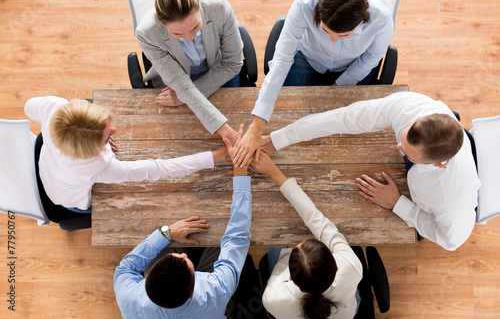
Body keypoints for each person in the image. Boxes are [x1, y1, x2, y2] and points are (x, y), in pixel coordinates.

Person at [260, 92, 480, 251]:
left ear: (437, 165)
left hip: (431, 203)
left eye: (408, 153)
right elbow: (346, 118)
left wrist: (398, 204)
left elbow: (452, 240)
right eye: (403, 139)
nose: (398, 148)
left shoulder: (449, 199)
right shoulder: (410, 107)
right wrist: (279, 138)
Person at [233, 0, 393, 167]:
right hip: (308, 58)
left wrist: (338, 87)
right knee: (287, 112)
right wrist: (256, 126)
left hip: (352, 67)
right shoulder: (303, 5)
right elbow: (281, 61)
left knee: (343, 125)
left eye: (344, 36)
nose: (332, 40)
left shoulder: (382, 20)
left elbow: (370, 60)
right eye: (325, 31)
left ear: (361, 22)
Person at [113, 124, 253, 318]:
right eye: (185, 261)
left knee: (172, 240)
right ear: (193, 291)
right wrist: (240, 171)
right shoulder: (216, 291)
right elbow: (237, 238)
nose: (183, 256)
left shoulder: (129, 296)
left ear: (146, 277)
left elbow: (126, 267)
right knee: (221, 243)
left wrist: (166, 233)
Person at [24, 96, 229, 213]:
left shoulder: (54, 109)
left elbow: (27, 108)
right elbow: (159, 168)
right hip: (67, 197)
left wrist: (96, 138)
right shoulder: (98, 165)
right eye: (106, 137)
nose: (115, 132)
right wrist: (218, 156)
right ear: (88, 150)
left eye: (108, 124)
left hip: (49, 165)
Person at [250, 153, 362, 318]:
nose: (299, 242)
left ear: (290, 275)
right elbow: (320, 223)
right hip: (344, 308)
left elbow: (279, 269)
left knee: (275, 242)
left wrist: (273, 172)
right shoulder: (351, 267)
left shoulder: (273, 299)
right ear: (336, 266)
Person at [136, 0, 243, 142]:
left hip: (219, 71)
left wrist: (185, 97)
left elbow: (232, 63)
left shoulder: (219, 7)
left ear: (198, 4)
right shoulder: (146, 32)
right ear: (159, 18)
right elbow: (182, 85)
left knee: (236, 115)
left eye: (195, 27)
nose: (190, 38)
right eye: (177, 34)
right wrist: (222, 128)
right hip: (175, 81)